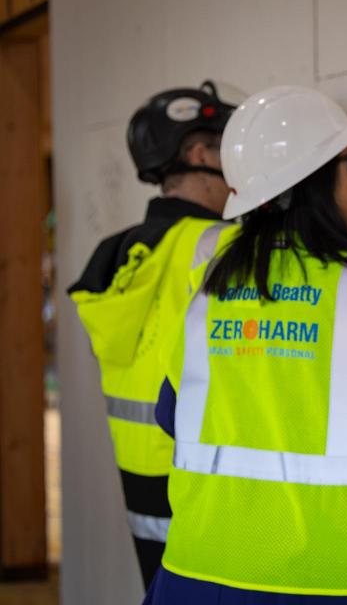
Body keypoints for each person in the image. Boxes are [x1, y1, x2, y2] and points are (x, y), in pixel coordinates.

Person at [144, 86, 347, 604]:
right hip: (332, 580)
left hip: (196, 572)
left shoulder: (208, 288)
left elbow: (170, 414)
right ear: (314, 179)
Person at [69, 81, 237, 587]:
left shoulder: (117, 253)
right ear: (201, 153)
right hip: (201, 480)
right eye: (228, 147)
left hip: (139, 482)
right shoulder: (220, 245)